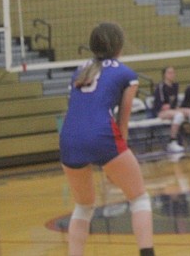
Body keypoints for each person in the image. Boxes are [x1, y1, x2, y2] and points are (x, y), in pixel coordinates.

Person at [58, 22, 155, 256]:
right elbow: (123, 118)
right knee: (139, 197)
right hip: (101, 135)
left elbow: (78, 107)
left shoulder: (78, 71)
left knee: (83, 206)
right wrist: (118, 161)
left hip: (68, 137)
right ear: (119, 46)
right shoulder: (126, 74)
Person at [152, 66, 190, 152]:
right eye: (169, 73)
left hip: (172, 109)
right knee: (179, 115)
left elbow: (173, 103)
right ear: (164, 75)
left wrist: (176, 107)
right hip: (161, 111)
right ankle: (172, 142)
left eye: (173, 73)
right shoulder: (161, 86)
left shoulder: (175, 86)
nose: (172, 75)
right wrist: (168, 107)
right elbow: (161, 105)